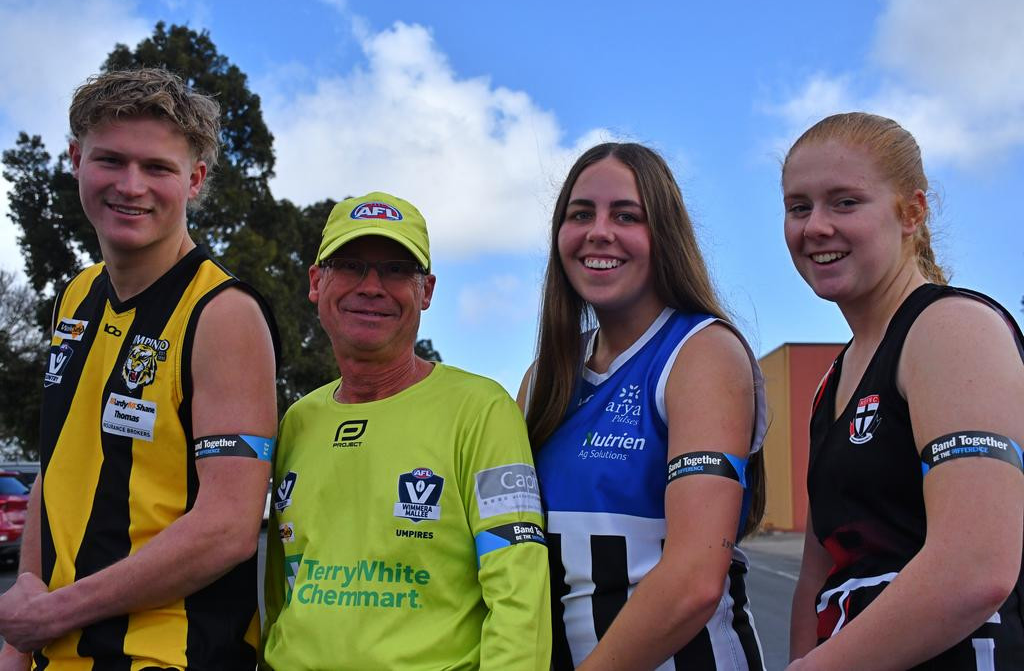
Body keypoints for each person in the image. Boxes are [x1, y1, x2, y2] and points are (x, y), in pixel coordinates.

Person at [0, 68, 279, 669]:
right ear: (75, 159)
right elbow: (61, 467)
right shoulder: (75, 296)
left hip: (170, 656)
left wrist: (55, 612)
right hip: (58, 650)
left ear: (195, 181)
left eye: (157, 168)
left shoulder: (224, 314)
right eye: (110, 160)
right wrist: (25, 609)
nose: (132, 186)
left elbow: (228, 528)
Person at [261, 192, 551, 670]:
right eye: (350, 265)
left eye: (397, 270)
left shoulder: (482, 410)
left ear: (427, 291)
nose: (371, 286)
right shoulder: (297, 420)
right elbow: (278, 596)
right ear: (317, 281)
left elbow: (520, 595)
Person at [783, 112, 1024, 669]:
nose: (815, 226)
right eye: (799, 207)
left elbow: (975, 568)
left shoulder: (952, 328)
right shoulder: (834, 380)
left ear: (912, 212)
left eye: (844, 202)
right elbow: (816, 578)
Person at [519, 143, 767, 670]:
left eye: (626, 215)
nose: (598, 231)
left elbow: (695, 582)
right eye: (580, 214)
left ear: (665, 236)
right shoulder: (544, 377)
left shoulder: (701, 351)